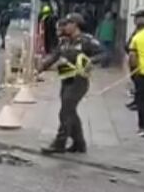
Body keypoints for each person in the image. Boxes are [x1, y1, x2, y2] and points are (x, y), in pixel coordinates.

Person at [38, 13, 106, 154]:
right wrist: (40, 67)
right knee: (70, 112)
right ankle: (79, 143)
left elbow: (104, 53)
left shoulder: (87, 40)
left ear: (75, 24)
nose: (64, 26)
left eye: (67, 24)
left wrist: (91, 61)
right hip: (66, 78)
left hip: (79, 81)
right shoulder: (65, 41)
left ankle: (59, 143)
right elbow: (55, 56)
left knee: (65, 112)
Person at [129, 19, 144, 137]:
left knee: (143, 102)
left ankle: (143, 128)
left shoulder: (138, 37)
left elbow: (132, 56)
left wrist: (134, 70)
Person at [126, 10, 144, 110]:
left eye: (137, 18)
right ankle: (136, 101)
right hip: (133, 60)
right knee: (136, 83)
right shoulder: (137, 29)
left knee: (140, 85)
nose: (135, 20)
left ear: (142, 18)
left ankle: (139, 104)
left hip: (140, 61)